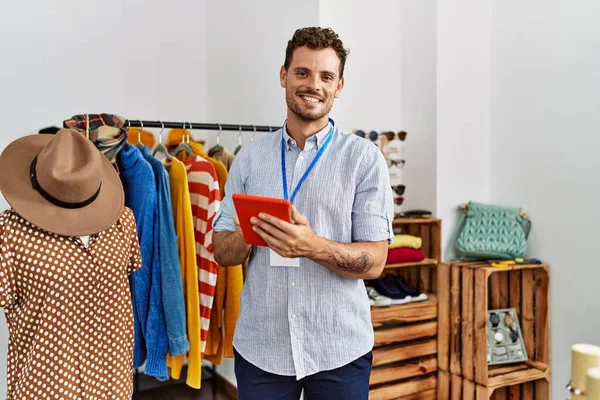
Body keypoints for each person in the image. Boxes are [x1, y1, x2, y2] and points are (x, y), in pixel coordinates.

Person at [213, 27, 394, 400]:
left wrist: (311, 246)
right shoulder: (249, 159)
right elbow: (221, 252)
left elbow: (375, 262)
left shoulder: (364, 159)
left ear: (339, 85)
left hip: (339, 349)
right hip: (262, 348)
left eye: (326, 77)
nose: (314, 85)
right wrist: (251, 231)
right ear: (283, 75)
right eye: (302, 73)